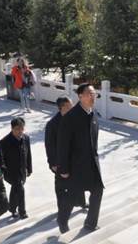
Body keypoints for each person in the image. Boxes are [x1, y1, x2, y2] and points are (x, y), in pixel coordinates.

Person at [56, 83, 103, 234]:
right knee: (72, 196)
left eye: (94, 93)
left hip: (92, 164)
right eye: (89, 93)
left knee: (98, 191)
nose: (93, 96)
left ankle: (90, 223)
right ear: (80, 96)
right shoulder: (70, 117)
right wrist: (63, 169)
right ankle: (62, 219)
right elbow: (63, 145)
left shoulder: (94, 114)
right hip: (76, 166)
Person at [44, 96, 87, 212]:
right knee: (61, 187)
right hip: (60, 162)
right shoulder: (52, 124)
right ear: (62, 108)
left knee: (78, 181)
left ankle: (81, 202)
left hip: (75, 159)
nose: (72, 108)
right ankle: (62, 209)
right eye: (69, 106)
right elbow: (49, 146)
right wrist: (52, 163)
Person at [0, 117, 32, 220]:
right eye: (17, 129)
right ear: (12, 128)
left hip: (22, 170)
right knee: (20, 189)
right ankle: (22, 212)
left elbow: (28, 154)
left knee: (16, 189)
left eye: (22, 128)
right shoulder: (4, 142)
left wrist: (29, 168)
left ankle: (12, 208)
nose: (20, 131)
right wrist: (3, 171)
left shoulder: (26, 138)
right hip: (11, 172)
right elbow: (0, 159)